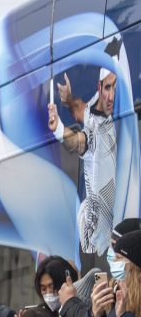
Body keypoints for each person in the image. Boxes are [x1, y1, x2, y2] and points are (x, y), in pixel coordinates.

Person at [48, 63, 118, 256]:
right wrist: (59, 129)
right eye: (107, 88)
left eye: (115, 87)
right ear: (99, 87)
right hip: (100, 235)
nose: (111, 96)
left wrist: (69, 100)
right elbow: (78, 142)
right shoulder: (94, 131)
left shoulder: (99, 108)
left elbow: (81, 109)